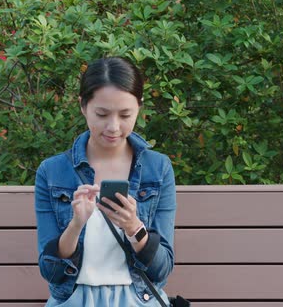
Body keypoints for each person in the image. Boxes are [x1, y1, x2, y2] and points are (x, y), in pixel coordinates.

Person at [34, 57, 177, 306]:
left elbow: (162, 269)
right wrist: (76, 224)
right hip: (74, 299)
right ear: (83, 106)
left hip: (138, 299)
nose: (113, 127)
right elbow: (52, 272)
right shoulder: (53, 171)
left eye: (125, 115)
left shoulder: (158, 168)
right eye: (102, 114)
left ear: (139, 109)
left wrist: (134, 226)